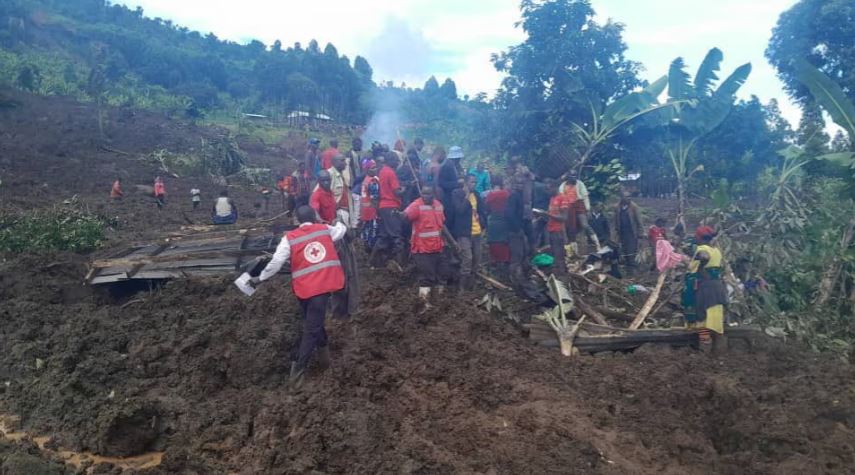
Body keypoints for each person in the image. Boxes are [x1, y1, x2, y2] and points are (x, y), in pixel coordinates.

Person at [253, 205, 347, 387]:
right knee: (312, 329)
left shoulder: (289, 238)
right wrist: (337, 222)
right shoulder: (325, 230)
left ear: (296, 220)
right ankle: (297, 373)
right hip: (322, 289)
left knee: (313, 323)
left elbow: (276, 262)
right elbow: (341, 231)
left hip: (303, 290)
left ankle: (325, 359)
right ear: (315, 216)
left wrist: (260, 278)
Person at [683, 226, 728, 353]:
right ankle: (720, 347)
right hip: (717, 287)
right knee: (715, 318)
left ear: (699, 237)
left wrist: (701, 263)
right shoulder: (717, 251)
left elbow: (703, 256)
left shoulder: (702, 249)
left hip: (705, 288)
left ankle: (704, 350)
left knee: (702, 317)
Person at [402, 184, 447, 305]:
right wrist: (401, 215)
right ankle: (424, 304)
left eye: (428, 193)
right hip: (422, 249)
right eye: (423, 193)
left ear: (433, 194)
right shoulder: (416, 205)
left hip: (437, 247)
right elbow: (405, 215)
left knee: (440, 276)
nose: (425, 196)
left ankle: (439, 302)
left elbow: (442, 225)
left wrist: (448, 242)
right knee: (426, 277)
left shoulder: (438, 206)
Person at [374, 152, 404, 267]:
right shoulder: (391, 173)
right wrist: (406, 188)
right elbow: (397, 191)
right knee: (397, 236)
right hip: (391, 206)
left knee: (384, 235)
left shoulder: (382, 171)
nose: (397, 163)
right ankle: (400, 264)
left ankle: (373, 263)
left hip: (383, 207)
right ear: (391, 161)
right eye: (396, 160)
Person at [533, 179, 569, 276]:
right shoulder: (552, 198)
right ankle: (557, 272)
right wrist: (541, 214)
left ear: (555, 187)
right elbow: (551, 215)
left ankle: (562, 274)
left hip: (558, 230)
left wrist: (547, 214)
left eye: (549, 189)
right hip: (551, 230)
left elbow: (564, 218)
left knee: (559, 254)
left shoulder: (563, 198)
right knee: (554, 253)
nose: (547, 191)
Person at [560, 171, 598, 251]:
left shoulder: (580, 184)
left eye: (575, 176)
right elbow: (561, 198)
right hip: (568, 207)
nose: (574, 177)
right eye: (572, 176)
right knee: (571, 228)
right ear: (568, 177)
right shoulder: (562, 186)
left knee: (584, 224)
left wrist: (587, 209)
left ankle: (596, 243)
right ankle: (575, 251)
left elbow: (585, 196)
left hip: (579, 205)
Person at [506, 176, 530, 291]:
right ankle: (513, 280)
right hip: (514, 231)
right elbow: (509, 214)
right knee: (517, 256)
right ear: (515, 185)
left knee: (523, 253)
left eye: (522, 184)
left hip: (519, 229)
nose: (521, 186)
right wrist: (517, 229)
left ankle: (520, 278)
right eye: (518, 184)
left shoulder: (520, 196)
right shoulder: (514, 196)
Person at [484, 175, 511, 276]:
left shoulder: (490, 195)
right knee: (503, 241)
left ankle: (495, 262)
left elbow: (486, 208)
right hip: (503, 220)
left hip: (493, 220)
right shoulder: (506, 194)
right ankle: (504, 263)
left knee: (493, 241)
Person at [615, 192, 642, 271]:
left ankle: (632, 269)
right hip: (622, 233)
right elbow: (616, 220)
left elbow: (639, 221)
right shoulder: (617, 207)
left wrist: (641, 233)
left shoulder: (634, 207)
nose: (629, 198)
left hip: (632, 233)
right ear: (622, 198)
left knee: (631, 251)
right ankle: (628, 268)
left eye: (629, 197)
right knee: (624, 250)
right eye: (627, 197)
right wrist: (616, 232)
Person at [359, 160, 381, 250]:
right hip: (372, 211)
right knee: (372, 232)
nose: (375, 169)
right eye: (373, 168)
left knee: (366, 231)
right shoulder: (373, 181)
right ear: (367, 170)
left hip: (365, 211)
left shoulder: (366, 179)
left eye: (376, 167)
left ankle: (364, 249)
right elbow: (374, 199)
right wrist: (378, 213)